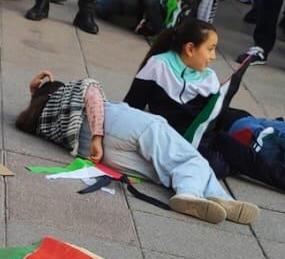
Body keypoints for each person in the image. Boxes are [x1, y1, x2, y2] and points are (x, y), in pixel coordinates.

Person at [126, 18, 285, 217]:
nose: (214, 56)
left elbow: (211, 116)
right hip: (184, 144)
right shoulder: (157, 66)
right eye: (211, 49)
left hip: (216, 131)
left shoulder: (207, 77)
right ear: (190, 48)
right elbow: (131, 109)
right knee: (255, 158)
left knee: (281, 142)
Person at [16, 68, 260, 223]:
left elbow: (39, 105)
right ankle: (197, 193)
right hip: (120, 126)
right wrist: (97, 136)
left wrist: (34, 94)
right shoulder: (71, 93)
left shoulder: (43, 121)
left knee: (160, 169)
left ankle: (211, 197)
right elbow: (91, 91)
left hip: (103, 154)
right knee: (186, 158)